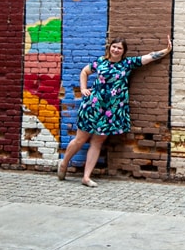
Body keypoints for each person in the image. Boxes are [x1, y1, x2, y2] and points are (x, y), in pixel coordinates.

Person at [57, 35, 173, 186]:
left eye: (119, 48)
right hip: (93, 106)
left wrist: (166, 49)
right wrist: (84, 88)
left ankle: (86, 177)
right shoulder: (100, 62)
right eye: (114, 46)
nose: (116, 50)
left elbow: (150, 57)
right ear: (109, 47)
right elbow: (84, 72)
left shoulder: (127, 64)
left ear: (123, 51)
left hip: (111, 111)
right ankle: (64, 162)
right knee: (80, 139)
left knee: (97, 141)